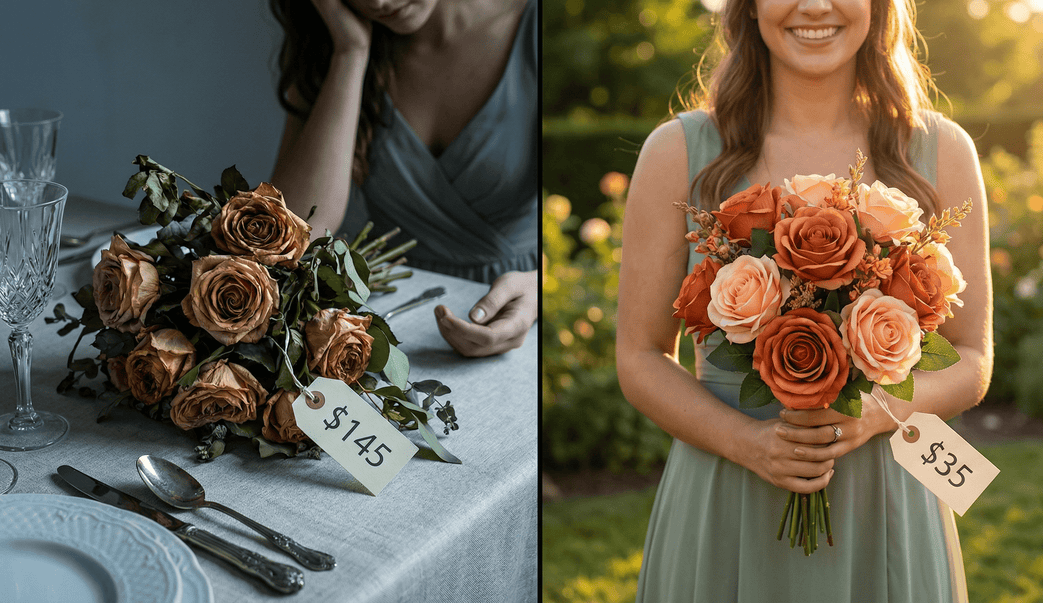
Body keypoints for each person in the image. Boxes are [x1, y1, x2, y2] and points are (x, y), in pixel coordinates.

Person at [616, 0, 992, 600]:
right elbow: (639, 355)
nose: (814, 5)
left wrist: (874, 414)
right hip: (727, 491)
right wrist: (752, 445)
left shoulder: (941, 150)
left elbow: (972, 359)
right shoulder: (677, 152)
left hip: (887, 492)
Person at [269, 0, 537, 357]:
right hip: (391, 327)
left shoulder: (531, 27)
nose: (379, 2)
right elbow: (291, 234)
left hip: (522, 321)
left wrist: (539, 289)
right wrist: (350, 54)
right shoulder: (329, 48)